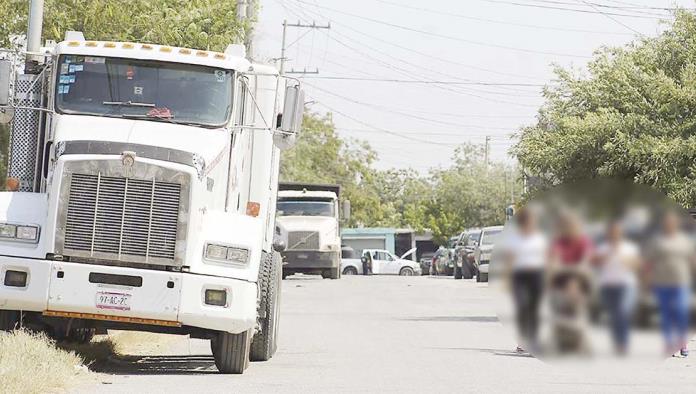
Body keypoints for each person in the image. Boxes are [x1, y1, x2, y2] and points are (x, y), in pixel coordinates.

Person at [646, 211, 696, 357]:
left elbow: (692, 259)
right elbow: (650, 261)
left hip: (681, 281)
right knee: (666, 314)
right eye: (667, 223)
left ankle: (682, 342)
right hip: (661, 281)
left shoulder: (684, 240)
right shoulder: (657, 240)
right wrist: (647, 278)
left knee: (681, 312)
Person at [502, 207, 548, 353]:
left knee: (535, 308)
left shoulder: (540, 238)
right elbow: (509, 259)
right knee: (522, 307)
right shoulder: (514, 239)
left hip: (537, 274)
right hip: (519, 275)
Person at [594, 221, 640, 355]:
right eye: (612, 232)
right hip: (608, 286)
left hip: (626, 285)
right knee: (614, 315)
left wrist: (627, 261)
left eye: (617, 232)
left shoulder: (629, 247)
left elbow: (637, 265)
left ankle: (623, 343)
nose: (614, 235)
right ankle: (617, 342)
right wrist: (607, 256)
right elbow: (596, 263)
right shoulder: (602, 248)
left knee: (622, 311)